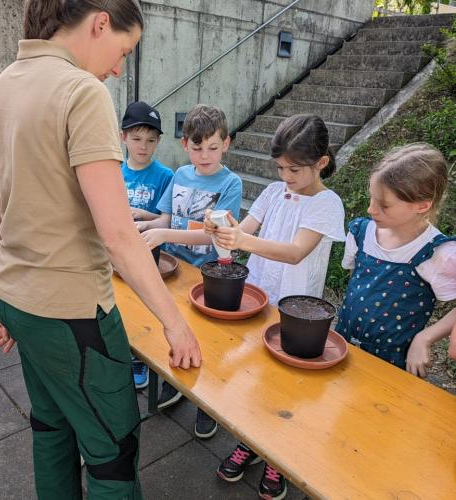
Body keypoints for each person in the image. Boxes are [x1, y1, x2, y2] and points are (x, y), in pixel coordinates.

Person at [0, 2, 201, 499]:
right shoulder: (82, 91)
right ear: (100, 22)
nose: (120, 66)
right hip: (74, 314)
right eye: (123, 50)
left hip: (18, 303)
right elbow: (118, 236)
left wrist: (2, 294)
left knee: (51, 430)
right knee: (113, 450)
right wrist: (175, 323)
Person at [205, 114, 345, 500]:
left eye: (294, 169)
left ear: (321, 163)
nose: (285, 176)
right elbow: (244, 229)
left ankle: (276, 458)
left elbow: (296, 252)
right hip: (259, 296)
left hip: (297, 311)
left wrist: (242, 242)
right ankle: (251, 441)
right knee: (253, 377)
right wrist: (219, 226)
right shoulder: (273, 192)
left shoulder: (326, 203)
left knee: (286, 388)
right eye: (280, 167)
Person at [137, 104, 242, 439]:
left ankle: (207, 405)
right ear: (185, 145)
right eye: (197, 148)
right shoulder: (180, 175)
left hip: (205, 273)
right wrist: (138, 216)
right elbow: (165, 218)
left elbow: (210, 233)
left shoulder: (231, 183)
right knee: (174, 329)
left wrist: (164, 234)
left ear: (226, 143)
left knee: (208, 342)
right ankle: (177, 383)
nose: (205, 155)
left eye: (213, 147)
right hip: (173, 270)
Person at [335, 143, 456, 376]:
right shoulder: (361, 232)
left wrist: (425, 338)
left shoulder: (439, 253)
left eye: (384, 205)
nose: (371, 209)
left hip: (391, 366)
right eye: (372, 198)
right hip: (342, 347)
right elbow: (356, 284)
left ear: (422, 205)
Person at [120, 100, 174, 390]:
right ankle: (121, 354)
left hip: (149, 253)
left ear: (158, 142)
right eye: (137, 139)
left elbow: (167, 219)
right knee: (118, 306)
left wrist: (143, 214)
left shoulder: (166, 175)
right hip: (115, 255)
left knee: (144, 306)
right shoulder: (113, 170)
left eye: (151, 140)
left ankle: (141, 359)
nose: (143, 146)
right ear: (123, 137)